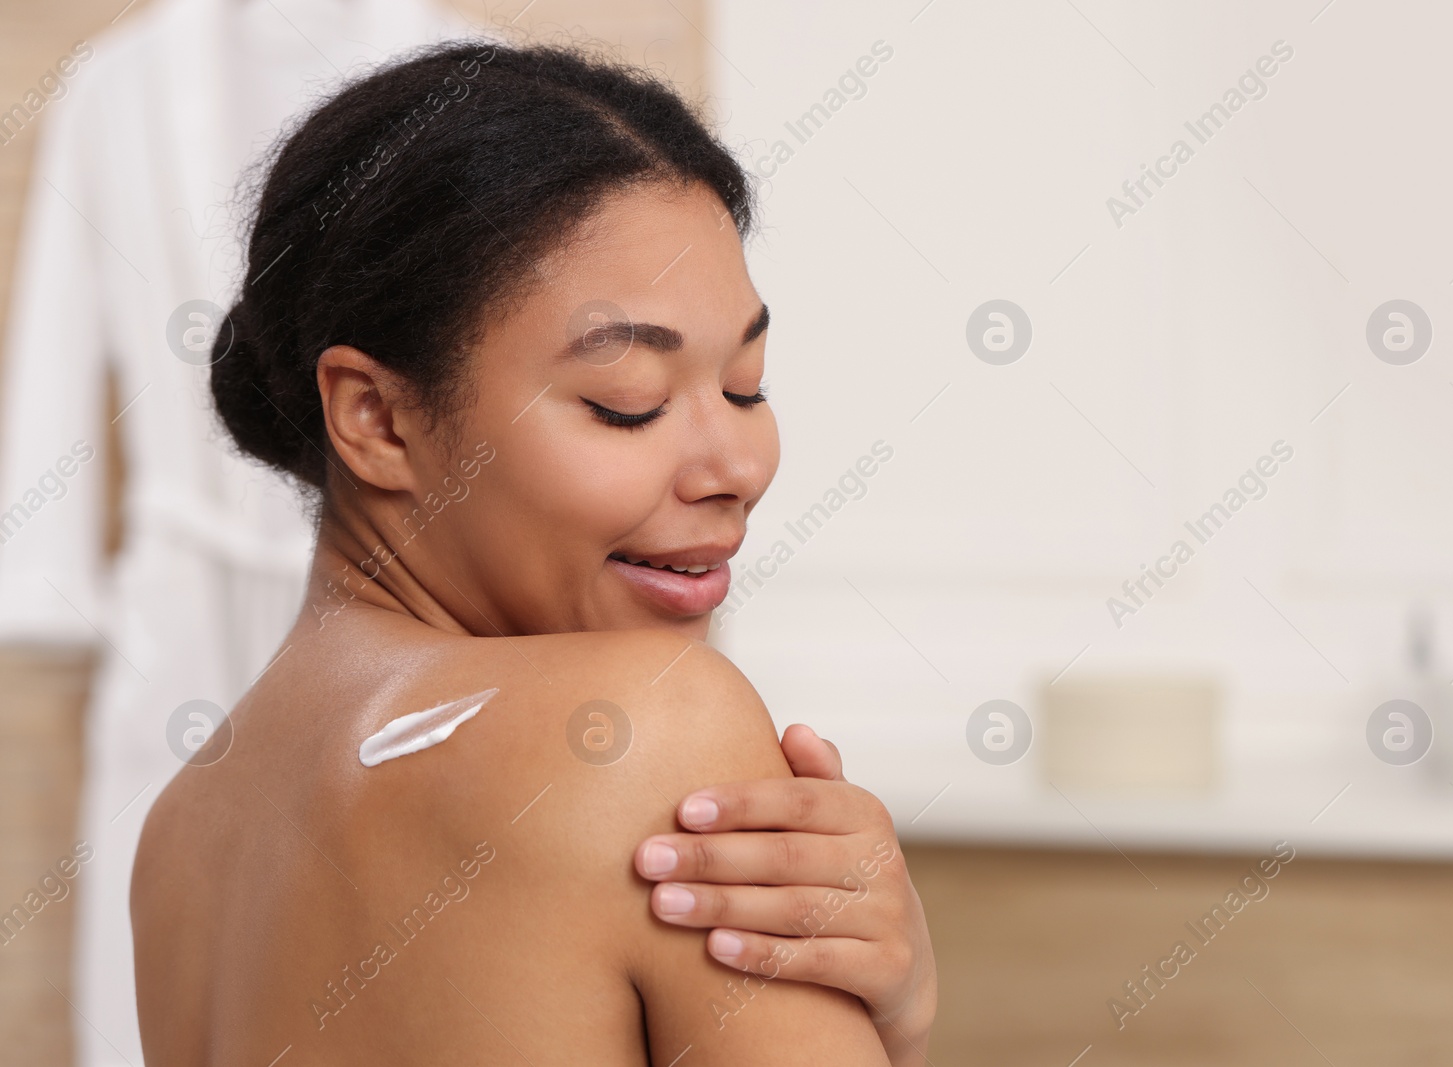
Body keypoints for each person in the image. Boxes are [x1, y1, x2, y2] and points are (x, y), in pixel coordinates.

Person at [130, 38, 935, 1064]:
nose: (733, 462)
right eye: (625, 404)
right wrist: (902, 1015)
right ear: (376, 417)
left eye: (746, 385)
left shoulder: (186, 834)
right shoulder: (641, 725)